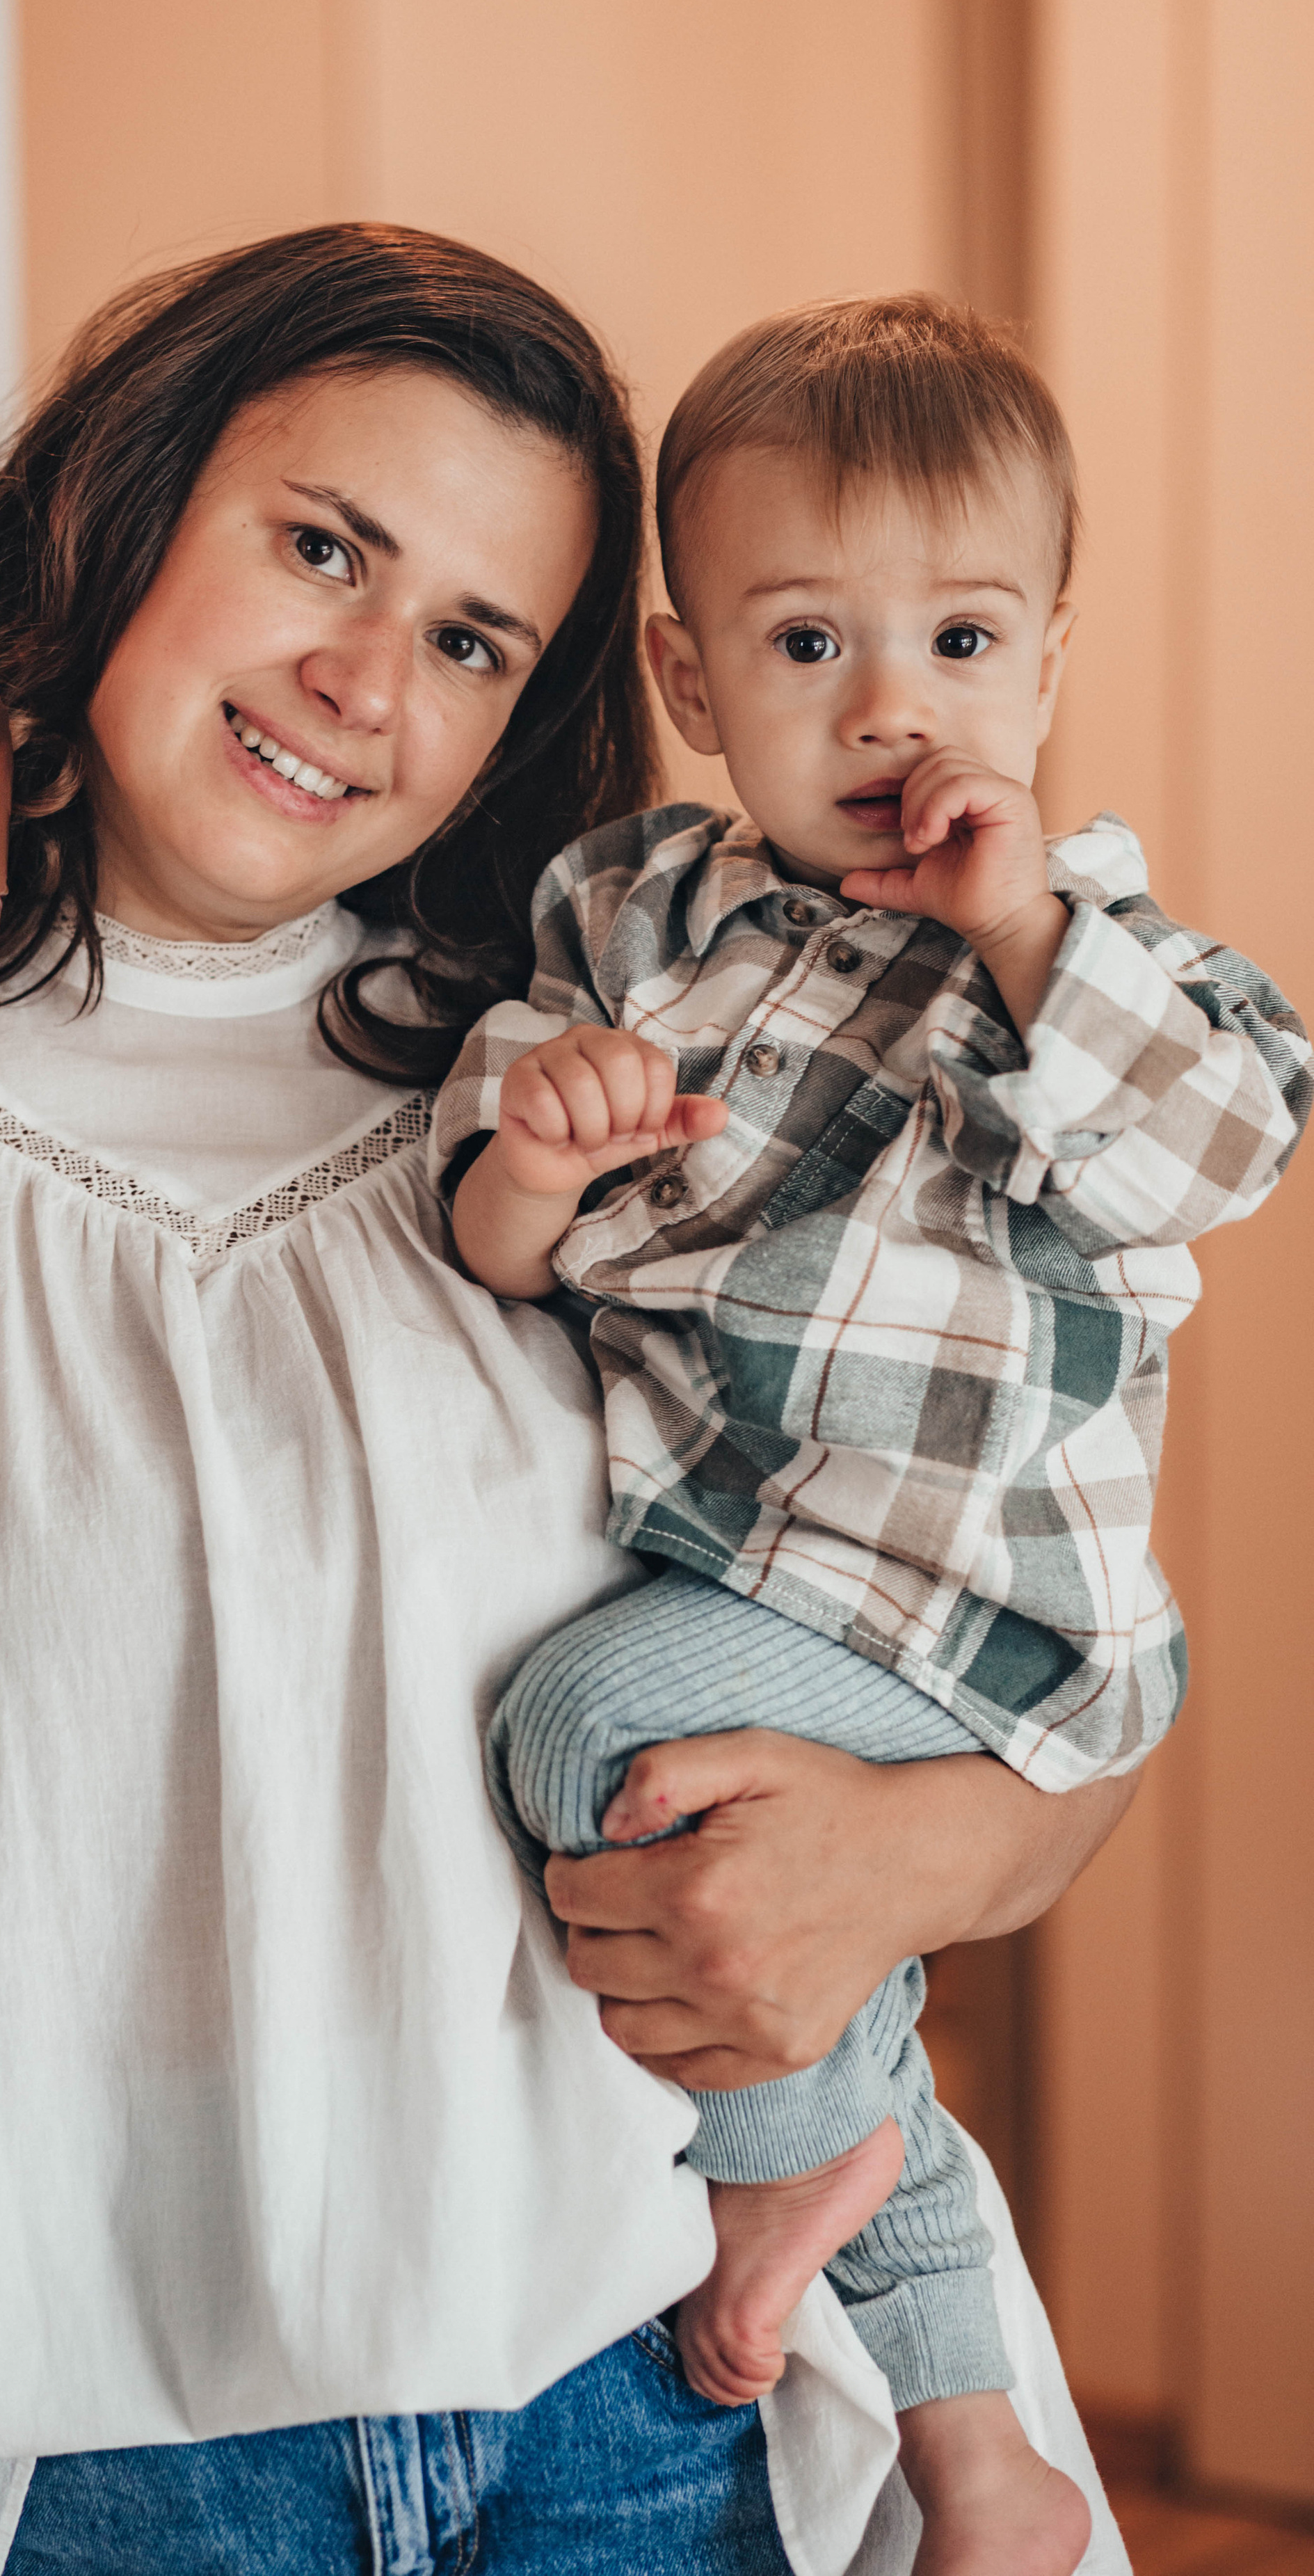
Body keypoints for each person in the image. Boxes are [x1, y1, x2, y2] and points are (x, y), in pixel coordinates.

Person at [0, 234, 1136, 2576]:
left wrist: (931, 1855)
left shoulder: (614, 1094)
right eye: (321, 548)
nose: (366, 681)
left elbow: (1018, 1648)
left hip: (646, 2419)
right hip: (63, 2485)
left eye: (474, 640)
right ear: (133, 497)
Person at [444, 294, 1313, 2576]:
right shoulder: (632, 914)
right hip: (758, 1563)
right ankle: (973, 2445)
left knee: (594, 1720)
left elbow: (1217, 1145)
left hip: (969, 1600)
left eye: (958, 638)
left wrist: (1028, 928)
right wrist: (542, 1154)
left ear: (1042, 669)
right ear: (689, 669)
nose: (891, 709)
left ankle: (796, 2205)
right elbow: (502, 1233)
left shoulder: (1087, 951)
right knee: (694, 1832)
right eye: (809, 641)